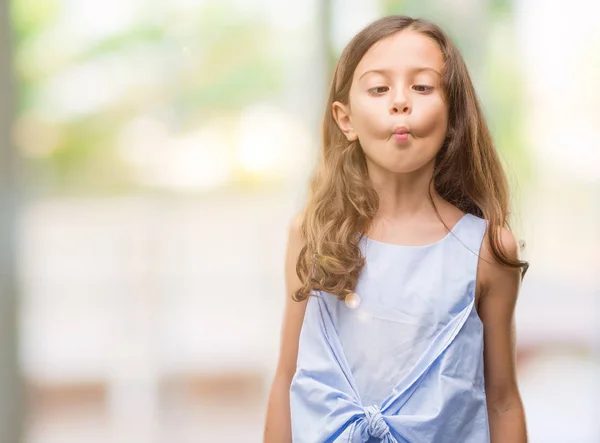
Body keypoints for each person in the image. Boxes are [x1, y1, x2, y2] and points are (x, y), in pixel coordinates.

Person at [263, 15, 529, 443]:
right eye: (379, 88)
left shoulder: (487, 249)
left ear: (452, 114)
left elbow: (502, 401)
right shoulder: (312, 234)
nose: (400, 102)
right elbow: (287, 378)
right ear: (345, 119)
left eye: (422, 87)